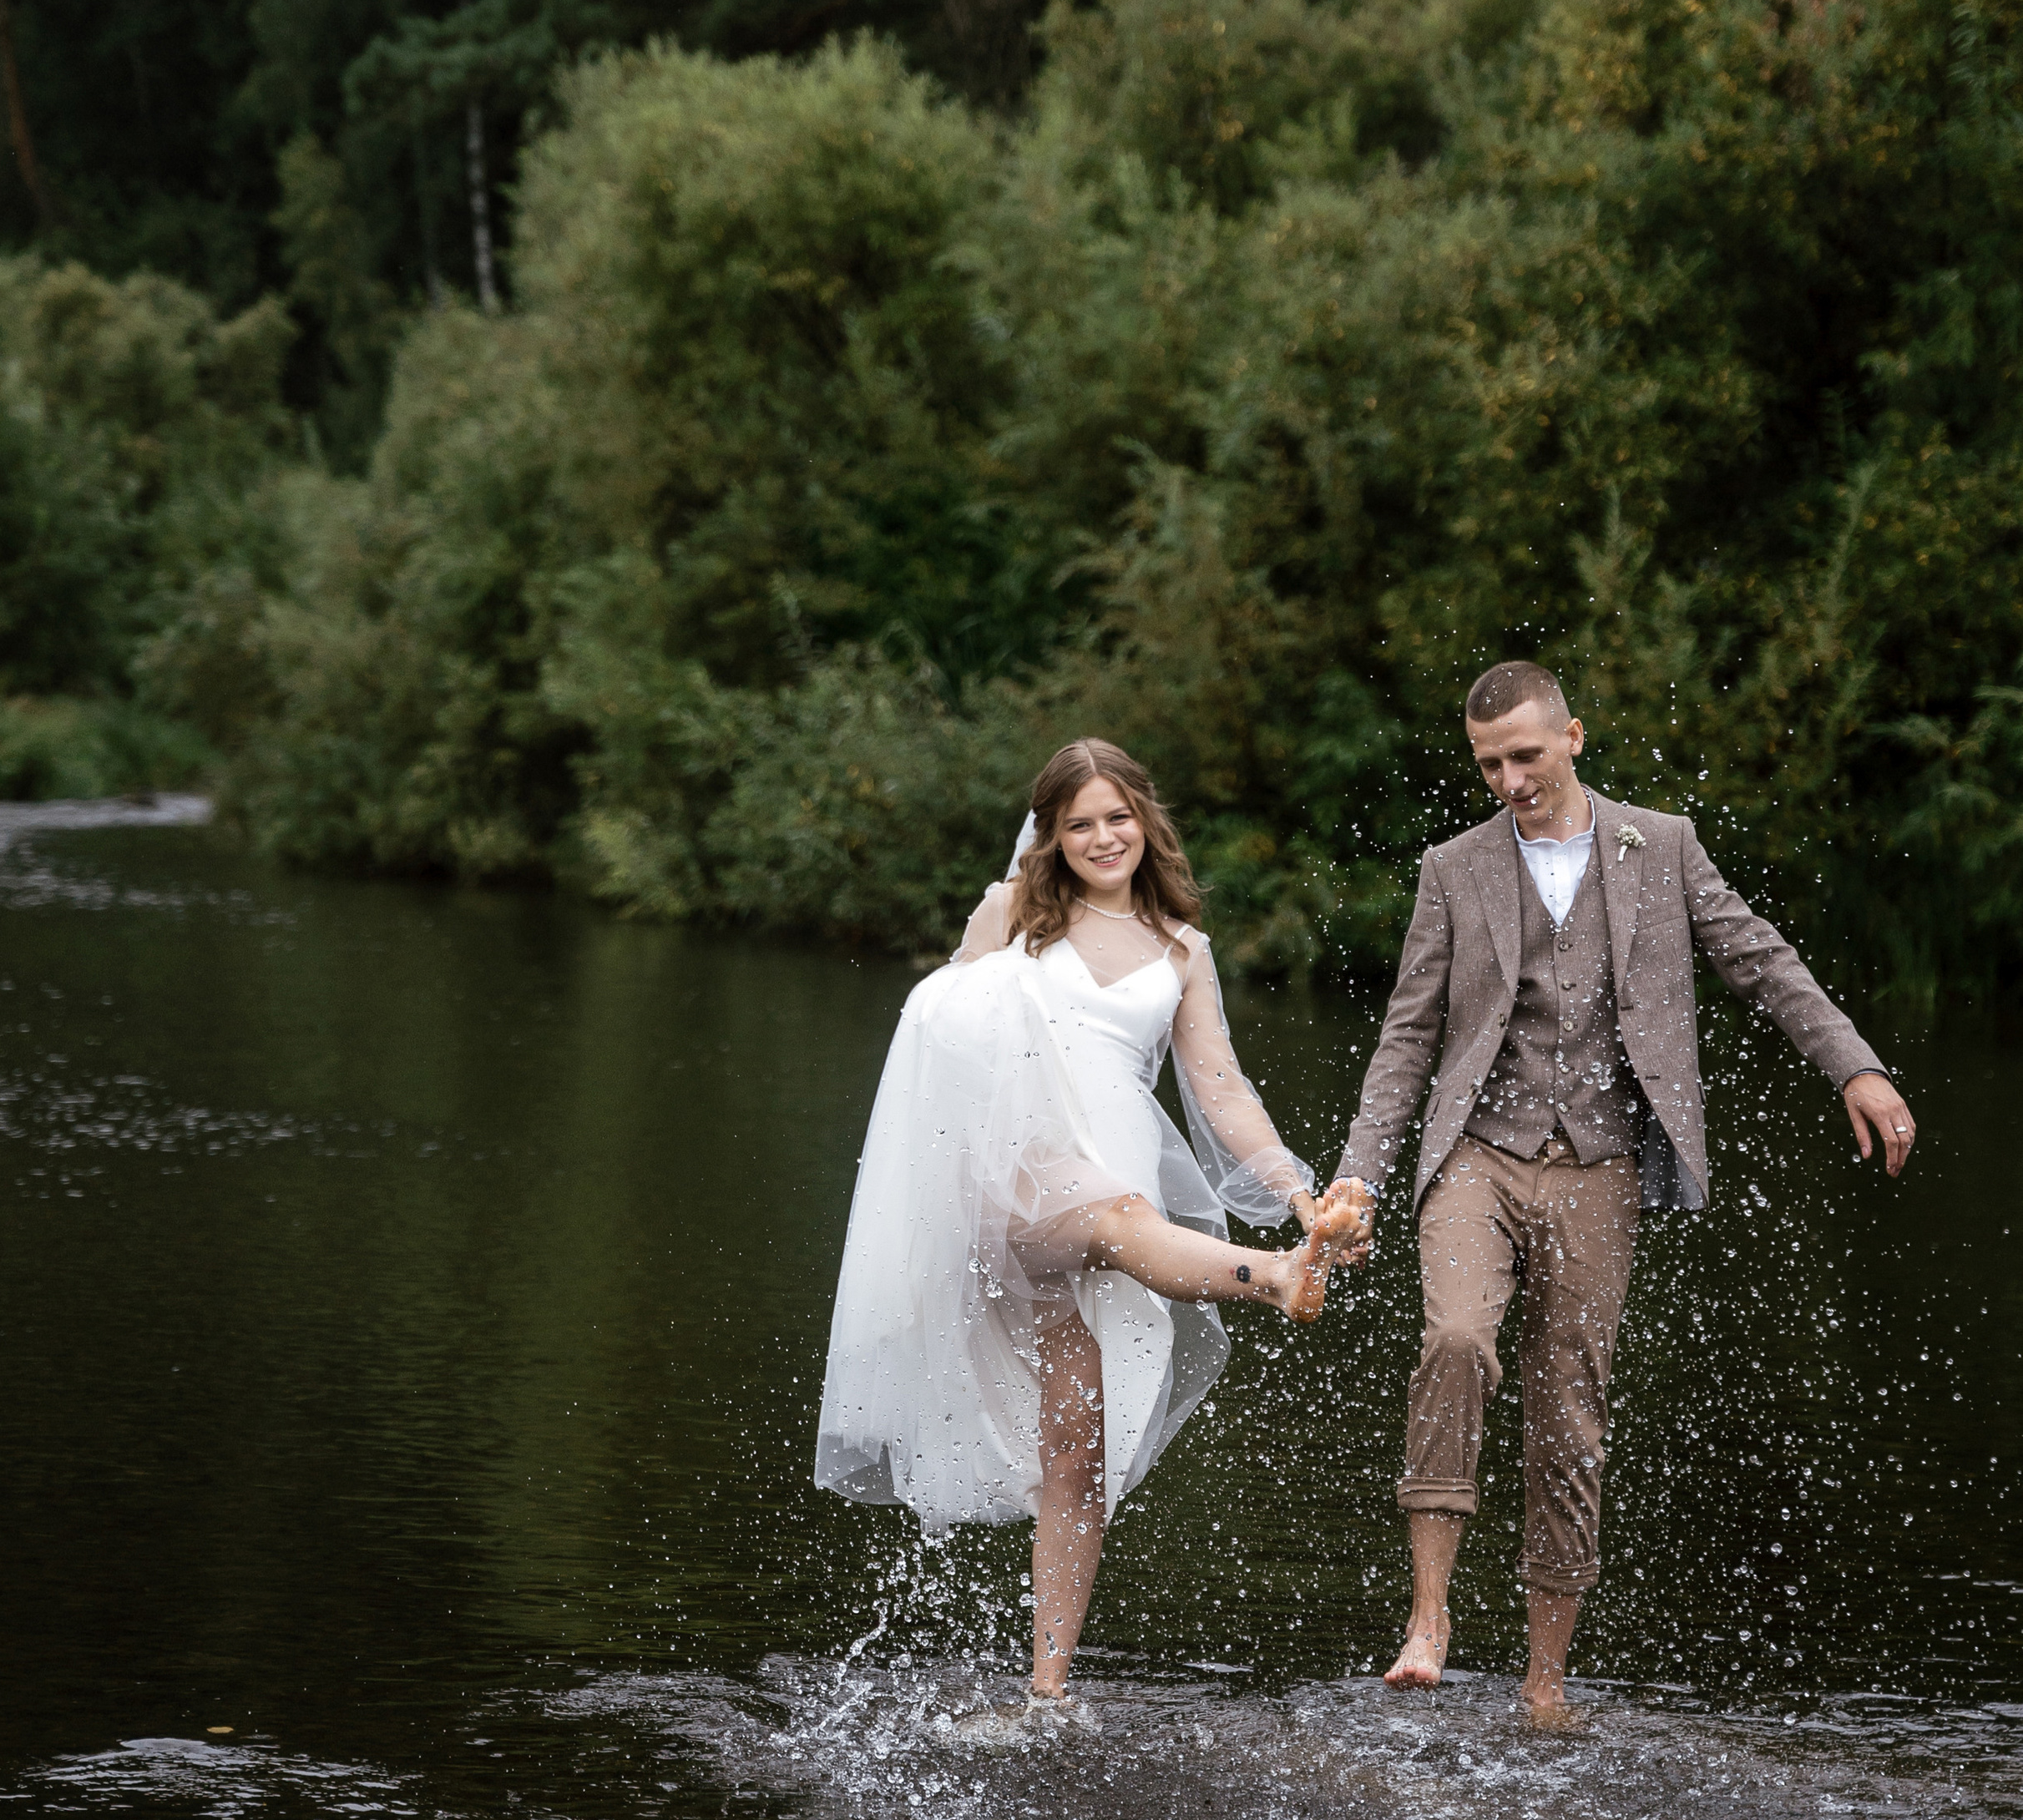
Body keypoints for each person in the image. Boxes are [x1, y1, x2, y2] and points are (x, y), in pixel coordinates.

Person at [1333, 659, 1917, 1731]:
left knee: (1568, 1413)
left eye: (1524, 754)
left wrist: (1856, 1067)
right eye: (1487, 763)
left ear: (1573, 738)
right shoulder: (1452, 870)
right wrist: (1358, 1176)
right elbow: (1407, 1038)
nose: (1507, 778)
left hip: (1599, 1166)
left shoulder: (1663, 846)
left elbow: (1760, 959)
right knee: (1457, 1340)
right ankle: (1428, 1619)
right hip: (1477, 1151)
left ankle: (1546, 1683)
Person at [817, 736, 1365, 1711]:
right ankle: (1273, 1276)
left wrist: (1294, 1191)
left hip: (1111, 1213)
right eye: (1079, 824)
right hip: (1010, 1194)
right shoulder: (1015, 916)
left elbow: (1221, 1089)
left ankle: (1047, 1692)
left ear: (1145, 821)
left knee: (1079, 1455)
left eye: (1117, 818)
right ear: (1051, 837)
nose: (1102, 837)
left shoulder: (1180, 950)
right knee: (1115, 1212)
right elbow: (938, 1043)